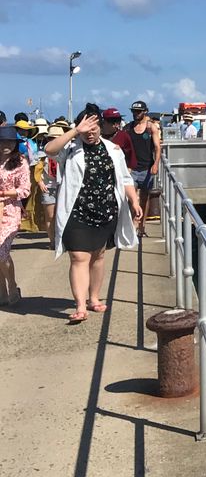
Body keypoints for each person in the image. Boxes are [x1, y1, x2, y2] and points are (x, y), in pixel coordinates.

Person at [44, 104, 141, 323]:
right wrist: (75, 131)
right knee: (79, 257)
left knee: (98, 256)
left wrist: (134, 201)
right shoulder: (70, 149)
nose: (90, 133)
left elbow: (124, 179)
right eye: (85, 129)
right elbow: (49, 149)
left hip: (105, 211)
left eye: (94, 128)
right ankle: (80, 306)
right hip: (76, 212)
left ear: (101, 127)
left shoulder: (113, 150)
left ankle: (94, 298)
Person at [0, 125, 32, 305]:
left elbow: (25, 190)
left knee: (1, 249)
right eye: (3, 141)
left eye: (10, 142)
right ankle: (2, 291)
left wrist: (4, 193)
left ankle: (12, 286)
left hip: (10, 210)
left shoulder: (20, 162)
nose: (6, 145)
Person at [126, 100, 160, 239]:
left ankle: (142, 227)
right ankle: (133, 225)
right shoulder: (128, 127)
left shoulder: (151, 127)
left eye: (138, 111)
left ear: (145, 111)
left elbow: (157, 147)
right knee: (132, 198)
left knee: (144, 199)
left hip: (147, 168)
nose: (136, 114)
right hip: (132, 168)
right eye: (134, 111)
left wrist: (156, 164)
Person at [37, 123, 66, 235]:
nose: (54, 140)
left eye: (58, 138)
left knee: (62, 215)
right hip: (48, 187)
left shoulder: (68, 153)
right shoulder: (41, 155)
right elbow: (36, 170)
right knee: (50, 216)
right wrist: (40, 182)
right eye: (51, 138)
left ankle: (60, 239)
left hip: (64, 187)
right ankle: (53, 241)